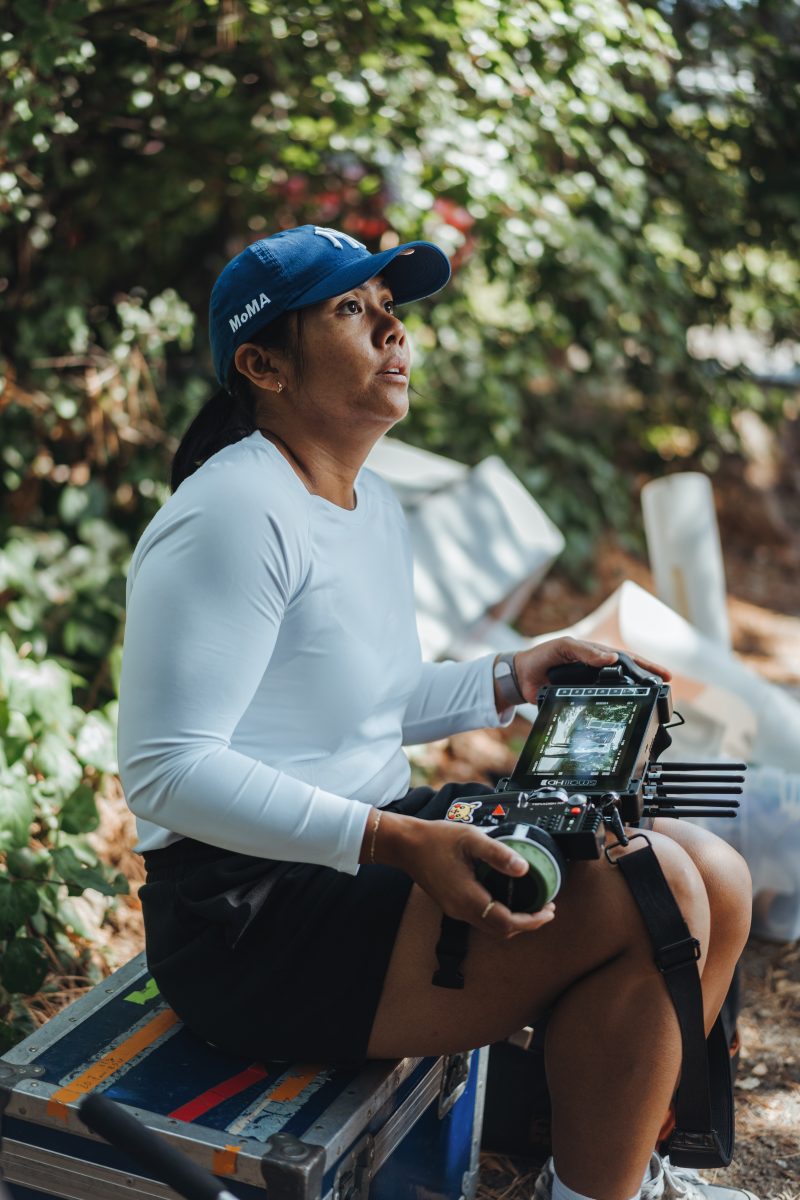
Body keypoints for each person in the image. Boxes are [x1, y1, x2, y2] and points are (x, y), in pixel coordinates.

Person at [117, 224, 757, 1200]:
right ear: (262, 365)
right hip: (248, 917)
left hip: (368, 846)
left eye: (389, 307)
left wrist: (510, 676)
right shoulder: (230, 516)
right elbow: (166, 772)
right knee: (653, 889)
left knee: (715, 872)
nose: (392, 330)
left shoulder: (366, 503)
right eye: (350, 309)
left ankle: (623, 1168)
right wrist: (397, 842)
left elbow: (368, 701)